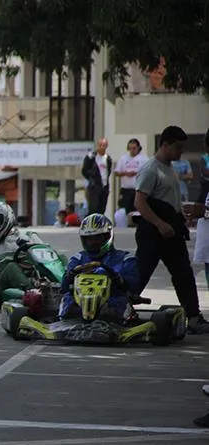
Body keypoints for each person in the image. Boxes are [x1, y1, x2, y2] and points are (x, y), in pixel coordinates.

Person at [134, 125, 209, 333]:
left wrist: (179, 217)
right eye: (177, 147)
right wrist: (160, 224)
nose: (180, 152)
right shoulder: (151, 169)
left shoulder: (170, 168)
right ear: (165, 144)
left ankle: (193, 317)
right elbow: (140, 202)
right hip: (153, 233)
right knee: (140, 273)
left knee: (183, 274)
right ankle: (117, 309)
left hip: (172, 232)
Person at [58, 214, 138, 322]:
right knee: (68, 298)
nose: (92, 242)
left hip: (111, 302)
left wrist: (117, 278)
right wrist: (69, 276)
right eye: (89, 239)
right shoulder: (78, 258)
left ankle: (111, 322)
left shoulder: (125, 259)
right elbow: (64, 287)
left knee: (118, 301)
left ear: (108, 236)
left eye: (97, 238)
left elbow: (133, 286)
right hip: (80, 303)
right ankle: (66, 320)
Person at [0, 203, 41, 290]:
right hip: (4, 288)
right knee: (11, 268)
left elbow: (48, 255)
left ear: (4, 221)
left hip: (34, 278)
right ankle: (33, 293)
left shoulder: (29, 236)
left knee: (61, 258)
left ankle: (61, 290)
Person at [113, 138, 148, 220]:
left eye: (134, 148)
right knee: (124, 211)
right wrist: (126, 173)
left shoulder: (144, 159)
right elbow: (116, 172)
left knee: (138, 211)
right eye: (130, 148)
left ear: (138, 148)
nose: (132, 150)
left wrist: (136, 173)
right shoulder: (123, 158)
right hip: (126, 190)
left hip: (138, 189)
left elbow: (148, 173)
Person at [81, 138, 112, 216]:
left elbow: (109, 171)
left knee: (102, 208)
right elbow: (84, 171)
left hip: (104, 186)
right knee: (93, 208)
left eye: (104, 145)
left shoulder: (107, 158)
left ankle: (99, 225)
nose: (102, 147)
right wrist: (92, 179)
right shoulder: (91, 157)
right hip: (94, 186)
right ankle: (90, 225)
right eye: (100, 145)